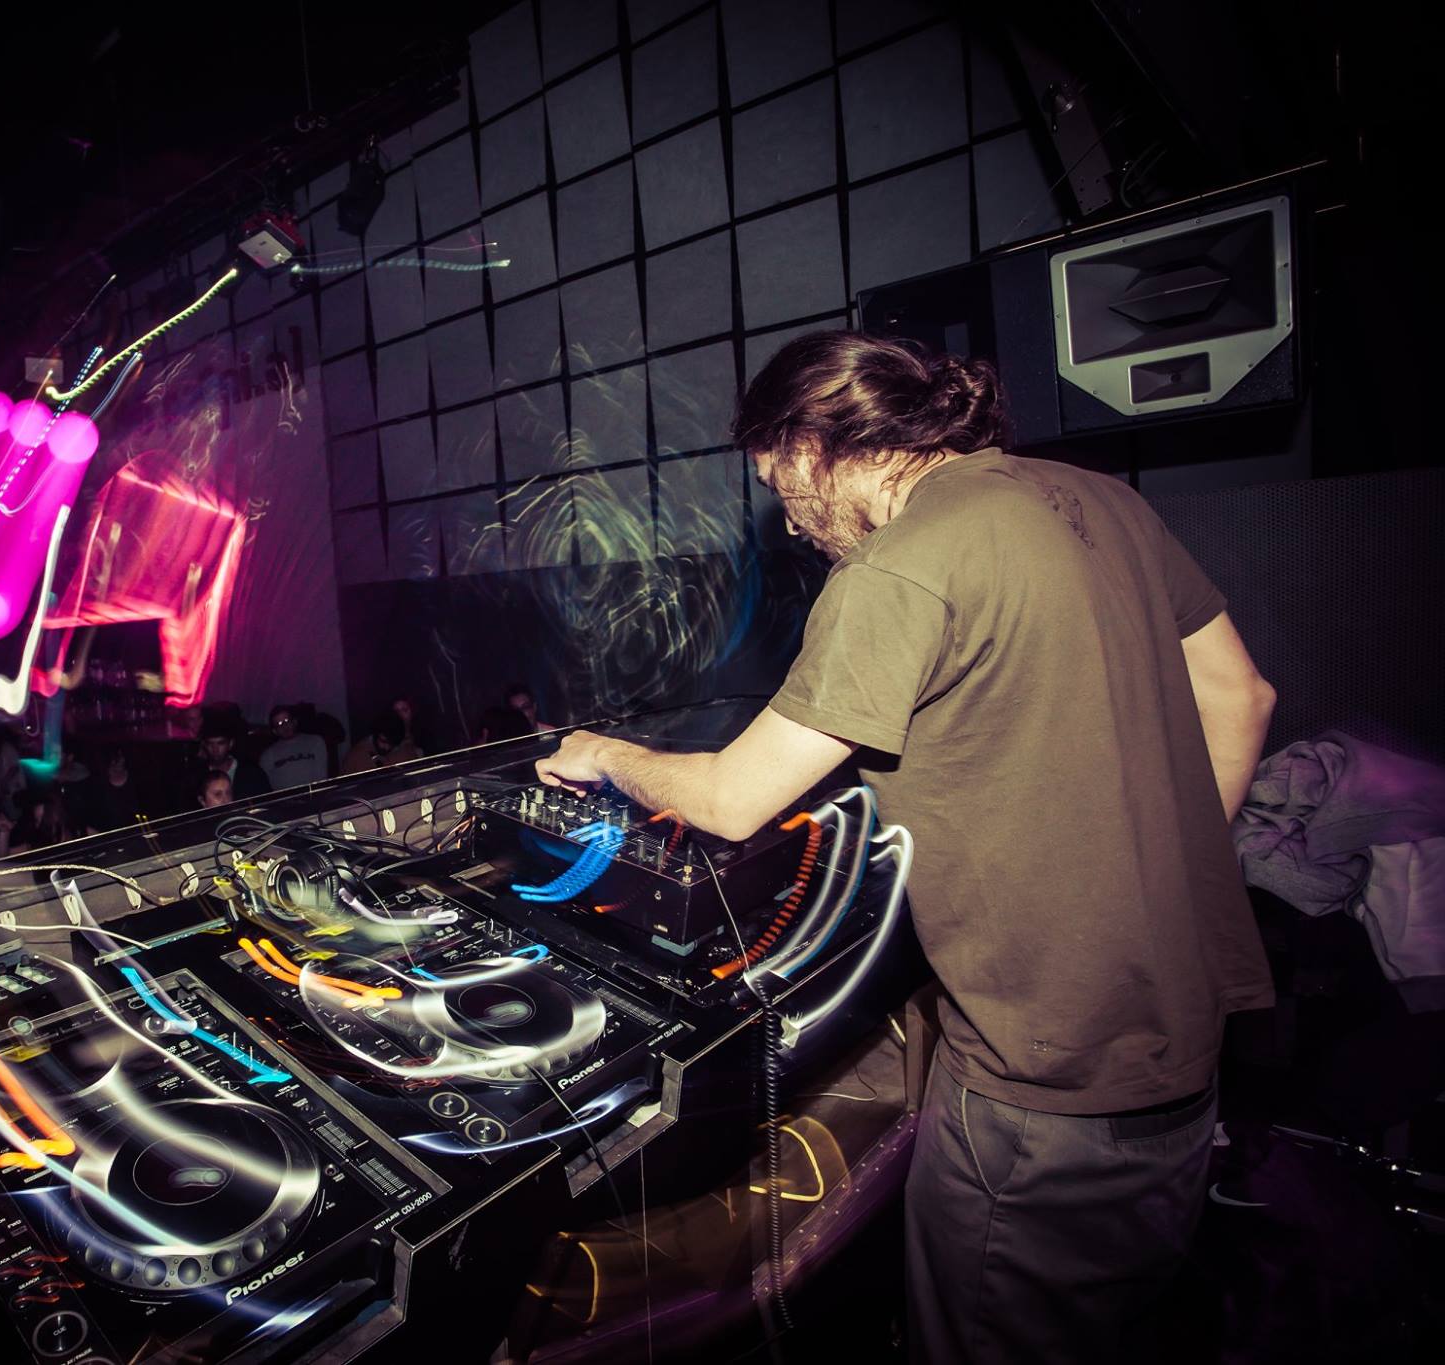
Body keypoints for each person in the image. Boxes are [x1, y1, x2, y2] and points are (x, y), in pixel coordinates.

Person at [534, 332, 1276, 1365]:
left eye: (777, 485)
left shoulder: (899, 566)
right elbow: (1242, 698)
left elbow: (732, 800)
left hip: (1044, 1082)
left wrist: (603, 754)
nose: (788, 521)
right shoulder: (1100, 500)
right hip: (1184, 1045)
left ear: (813, 444)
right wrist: (1145, 869)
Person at [259, 705, 329, 790]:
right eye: (279, 724)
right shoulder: (268, 755)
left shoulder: (315, 741)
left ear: (294, 721)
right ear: (275, 731)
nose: (284, 726)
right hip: (287, 798)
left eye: (287, 721)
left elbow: (322, 776)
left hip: (315, 794)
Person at [195, 723, 269, 798]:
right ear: (204, 745)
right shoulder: (197, 776)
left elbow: (266, 800)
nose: (215, 749)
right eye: (210, 744)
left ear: (230, 744)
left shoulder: (251, 772)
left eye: (220, 743)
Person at [78, 749, 142, 835]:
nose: (120, 760)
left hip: (137, 833)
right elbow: (90, 819)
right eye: (116, 757)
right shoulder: (95, 784)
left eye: (121, 756)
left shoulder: (137, 777)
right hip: (109, 836)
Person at [341, 710, 422, 774]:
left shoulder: (406, 752)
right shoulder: (356, 756)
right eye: (383, 741)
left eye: (392, 744)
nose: (387, 747)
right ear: (375, 735)